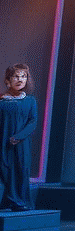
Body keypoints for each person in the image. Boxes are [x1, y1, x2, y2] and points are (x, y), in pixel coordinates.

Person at [1, 64, 37, 212]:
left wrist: (19, 136)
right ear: (9, 79)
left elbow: (32, 122)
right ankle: (7, 201)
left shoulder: (30, 101)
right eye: (16, 76)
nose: (20, 80)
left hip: (21, 144)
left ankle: (19, 201)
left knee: (21, 171)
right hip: (3, 142)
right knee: (4, 170)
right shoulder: (2, 101)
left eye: (23, 76)